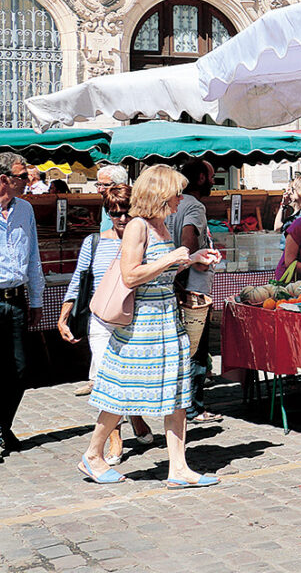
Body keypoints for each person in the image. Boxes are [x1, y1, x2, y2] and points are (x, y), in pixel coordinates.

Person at [80, 165, 222, 486]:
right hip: (140, 327)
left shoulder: (161, 226)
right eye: (176, 192)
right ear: (160, 192)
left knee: (177, 395)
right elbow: (131, 275)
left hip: (167, 320)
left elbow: (160, 270)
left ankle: (178, 469)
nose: (180, 198)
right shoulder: (137, 226)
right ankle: (92, 455)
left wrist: (193, 256)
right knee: (122, 394)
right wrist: (172, 259)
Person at [58, 185, 155, 448]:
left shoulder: (146, 241)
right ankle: (115, 436)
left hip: (133, 320)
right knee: (104, 379)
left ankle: (135, 417)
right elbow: (79, 280)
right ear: (107, 213)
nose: (122, 219)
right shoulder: (95, 242)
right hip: (100, 319)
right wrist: (64, 317)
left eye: (127, 213)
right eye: (115, 213)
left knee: (130, 377)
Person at [0, 153, 39, 460]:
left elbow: (33, 256)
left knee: (20, 369)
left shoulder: (25, 209)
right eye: (23, 177)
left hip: (16, 298)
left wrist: (35, 300)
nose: (29, 181)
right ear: (3, 180)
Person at [166, 159, 218, 422]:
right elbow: (188, 243)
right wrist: (181, 281)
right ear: (199, 178)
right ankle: (194, 407)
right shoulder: (194, 206)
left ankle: (180, 405)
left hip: (173, 286)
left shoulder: (169, 204)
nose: (213, 180)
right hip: (191, 291)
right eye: (210, 176)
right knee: (195, 351)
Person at [94, 164, 129, 233]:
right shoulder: (106, 201)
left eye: (106, 185)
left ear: (120, 185)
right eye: (98, 184)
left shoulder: (129, 203)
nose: (100, 189)